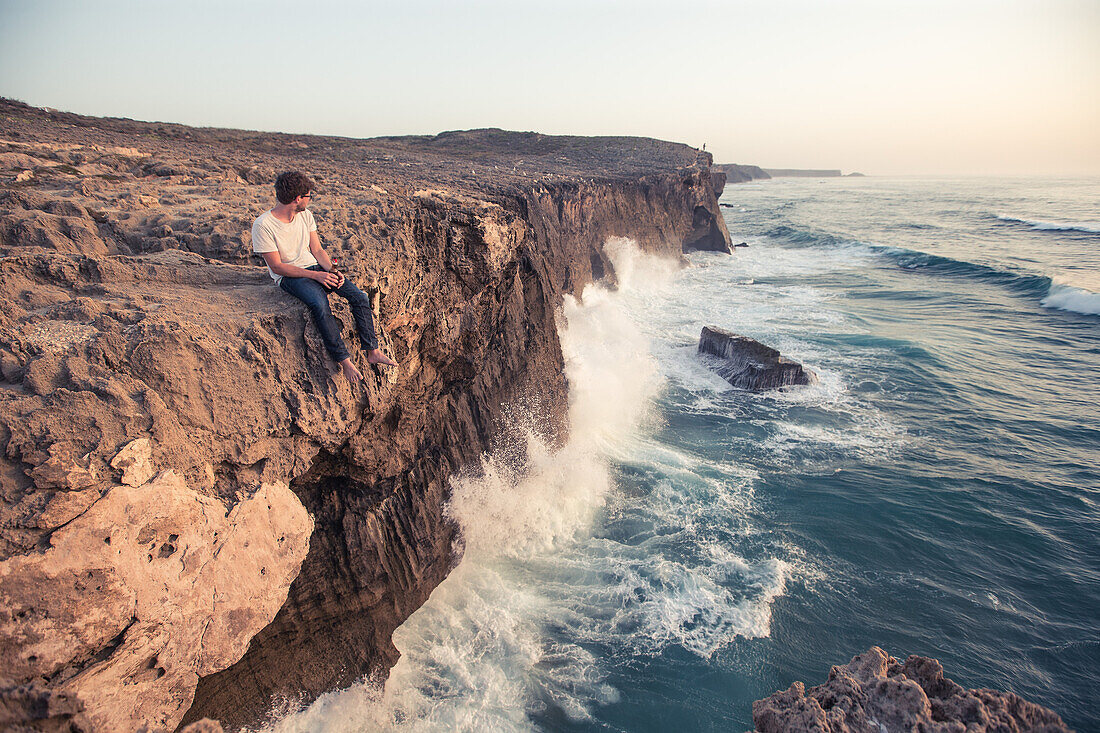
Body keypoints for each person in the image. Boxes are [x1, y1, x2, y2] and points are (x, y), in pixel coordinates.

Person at [252, 171, 397, 384]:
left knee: (359, 296)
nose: (311, 200)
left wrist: (331, 270)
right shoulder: (263, 225)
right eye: (309, 196)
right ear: (297, 198)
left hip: (314, 268)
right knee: (320, 304)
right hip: (290, 276)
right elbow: (277, 267)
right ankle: (344, 361)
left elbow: (317, 250)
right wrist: (316, 276)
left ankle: (372, 351)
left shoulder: (305, 216)